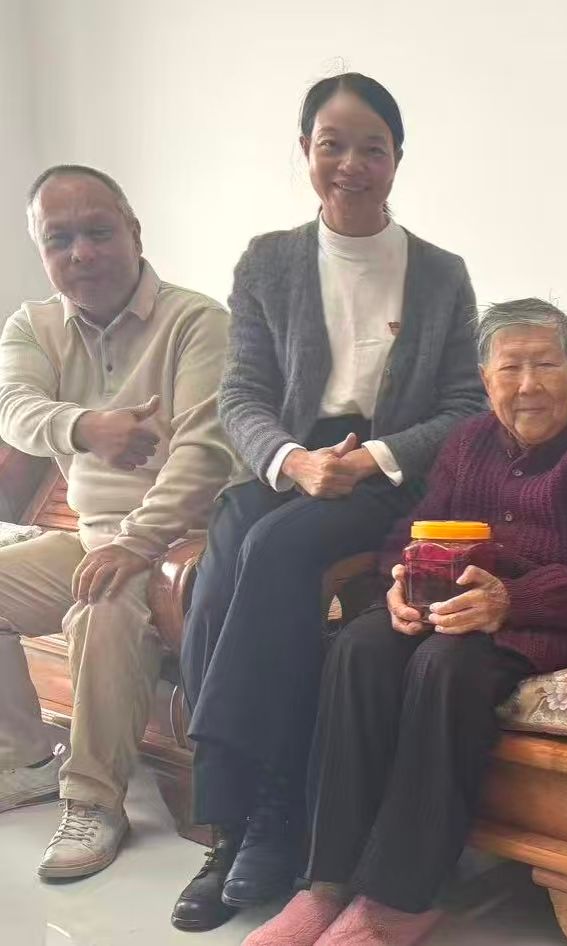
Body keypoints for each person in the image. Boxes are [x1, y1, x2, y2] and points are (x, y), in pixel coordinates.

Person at [242, 298, 567, 946]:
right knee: (359, 644)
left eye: (546, 365)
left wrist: (513, 600)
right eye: (510, 368)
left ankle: (399, 898)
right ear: (485, 380)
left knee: (447, 662)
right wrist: (397, 582)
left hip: (547, 623)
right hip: (449, 607)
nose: (528, 385)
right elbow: (410, 532)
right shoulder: (467, 442)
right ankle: (326, 883)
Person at [172, 73, 485, 932]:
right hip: (290, 461)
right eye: (331, 145)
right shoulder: (267, 260)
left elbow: (464, 404)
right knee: (222, 559)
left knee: (271, 551)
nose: (351, 164)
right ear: (305, 151)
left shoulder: (442, 274)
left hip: (385, 476)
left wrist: (372, 457)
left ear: (398, 159)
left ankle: (257, 816)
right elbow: (241, 392)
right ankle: (241, 824)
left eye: (371, 148)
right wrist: (293, 461)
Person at [0, 165, 234, 879]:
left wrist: (138, 542)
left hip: (185, 542)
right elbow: (12, 408)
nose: (81, 253)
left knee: (101, 602)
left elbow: (206, 454)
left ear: (133, 231)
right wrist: (87, 427)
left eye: (98, 232)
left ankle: (95, 801)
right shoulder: (34, 324)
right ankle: (27, 761)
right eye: (59, 239)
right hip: (91, 535)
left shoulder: (198, 321)